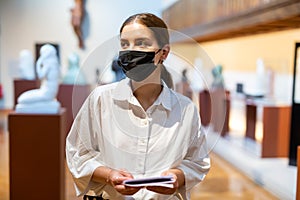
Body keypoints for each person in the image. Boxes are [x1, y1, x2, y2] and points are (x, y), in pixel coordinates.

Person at [66, 13, 210, 200]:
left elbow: (197, 161)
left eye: (141, 43)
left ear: (163, 53)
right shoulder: (100, 99)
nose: (130, 51)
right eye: (125, 44)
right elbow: (78, 152)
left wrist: (178, 177)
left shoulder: (185, 109)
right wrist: (110, 176)